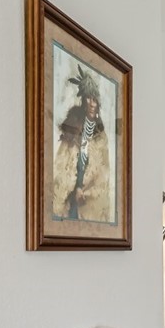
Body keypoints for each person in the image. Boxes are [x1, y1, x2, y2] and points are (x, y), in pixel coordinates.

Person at [52, 65, 112, 222]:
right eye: (88, 98)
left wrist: (85, 191)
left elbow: (103, 173)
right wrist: (73, 188)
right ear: (83, 100)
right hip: (69, 193)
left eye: (95, 99)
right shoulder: (73, 126)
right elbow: (62, 161)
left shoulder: (101, 136)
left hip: (88, 197)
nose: (92, 103)